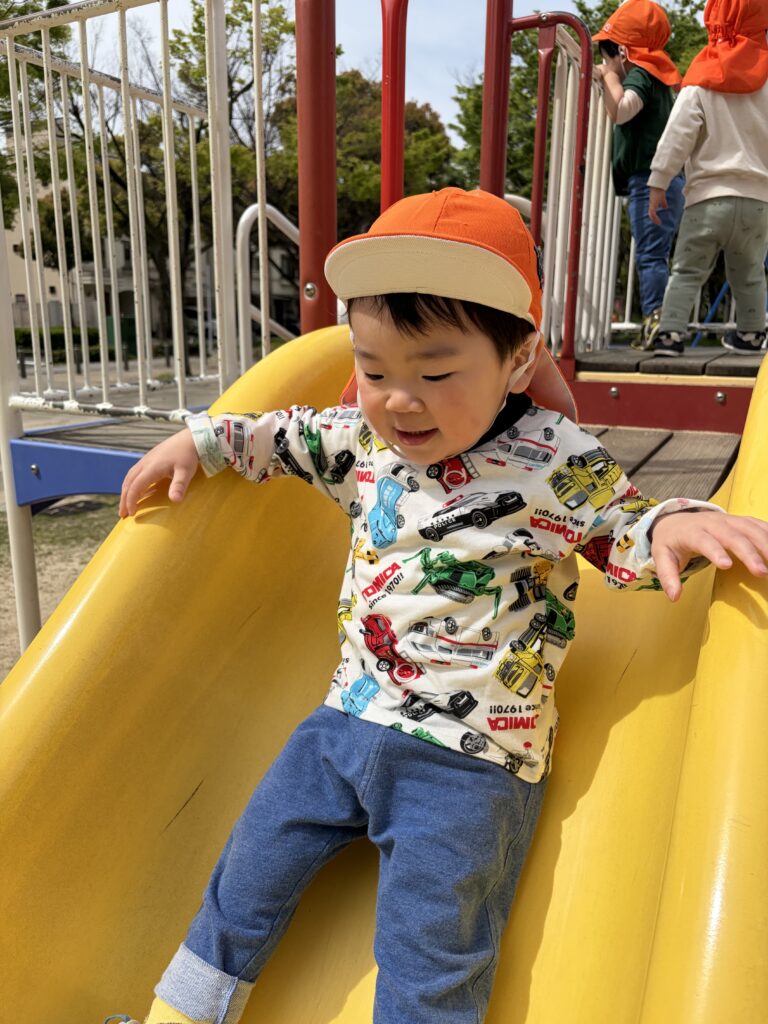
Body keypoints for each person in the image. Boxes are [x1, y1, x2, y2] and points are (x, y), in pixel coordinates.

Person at [113, 188, 768, 1024]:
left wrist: (672, 525)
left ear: (518, 362)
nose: (399, 399)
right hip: (343, 720)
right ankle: (185, 1014)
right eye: (375, 371)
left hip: (470, 758)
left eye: (434, 373)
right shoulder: (365, 441)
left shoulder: (550, 459)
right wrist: (202, 441)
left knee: (431, 952)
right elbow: (286, 435)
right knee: (245, 874)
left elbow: (618, 525)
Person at [647, 0, 768, 357]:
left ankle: (671, 334)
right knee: (749, 271)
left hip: (708, 200)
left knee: (687, 271)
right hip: (758, 202)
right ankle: (751, 333)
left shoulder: (702, 78)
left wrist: (659, 180)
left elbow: (678, 134)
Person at [593, 0, 685, 348]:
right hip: (664, 179)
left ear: (622, 51)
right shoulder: (658, 77)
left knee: (650, 256)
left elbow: (622, 110)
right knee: (656, 254)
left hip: (651, 180)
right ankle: (662, 324)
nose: (606, 64)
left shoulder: (641, 74)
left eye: (607, 56)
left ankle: (659, 326)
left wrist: (609, 77)